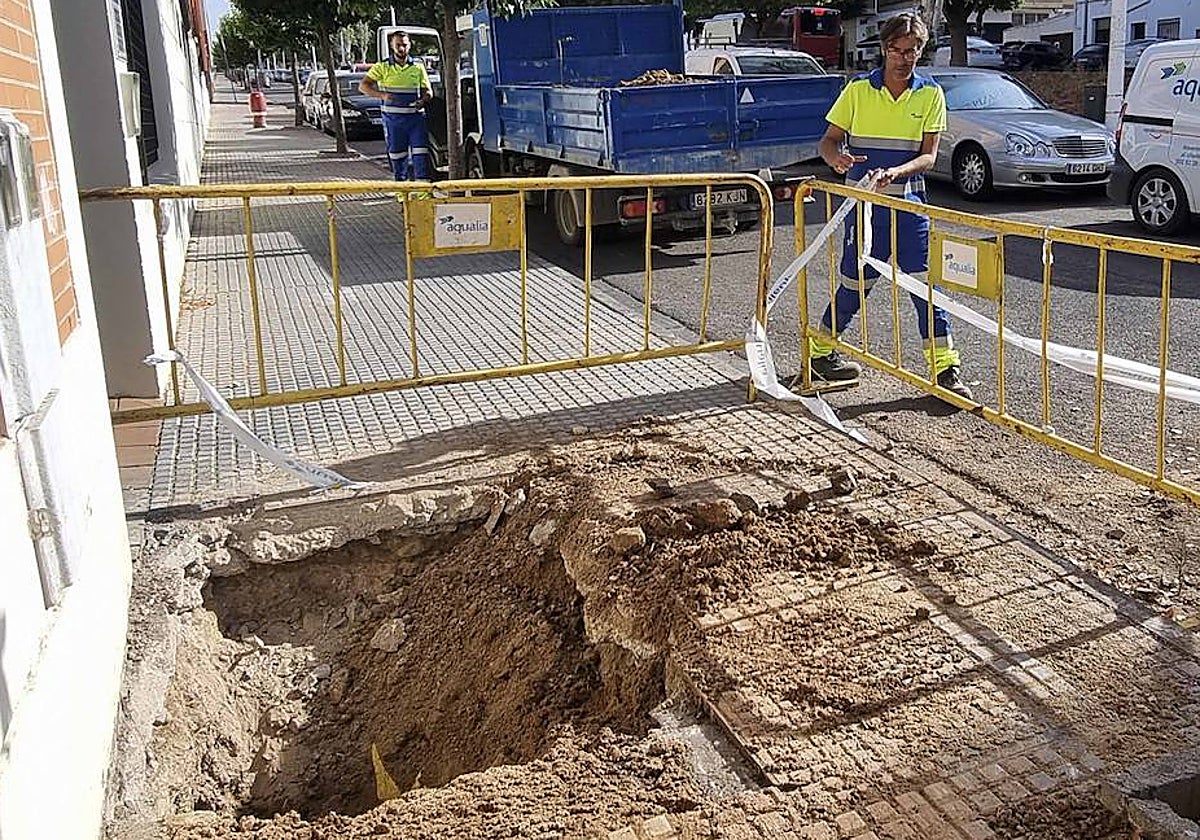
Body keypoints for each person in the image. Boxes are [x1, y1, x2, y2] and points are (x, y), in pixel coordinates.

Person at [812, 13, 973, 401]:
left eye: (913, 50)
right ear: (884, 49)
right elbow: (828, 141)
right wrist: (837, 160)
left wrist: (898, 171)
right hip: (865, 209)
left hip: (910, 208)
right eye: (897, 50)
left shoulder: (930, 93)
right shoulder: (857, 91)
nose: (905, 58)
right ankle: (819, 353)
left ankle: (945, 370)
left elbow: (930, 156)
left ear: (921, 50)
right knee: (855, 282)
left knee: (925, 289)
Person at [359, 31, 433, 182]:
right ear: (392, 46)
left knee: (421, 156)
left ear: (409, 45)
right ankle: (402, 193)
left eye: (404, 45)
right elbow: (363, 86)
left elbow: (428, 91)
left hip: (415, 120)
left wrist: (423, 100)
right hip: (393, 121)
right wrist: (382, 95)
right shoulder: (382, 67)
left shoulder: (418, 67)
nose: (401, 48)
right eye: (398, 45)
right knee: (398, 157)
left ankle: (422, 194)